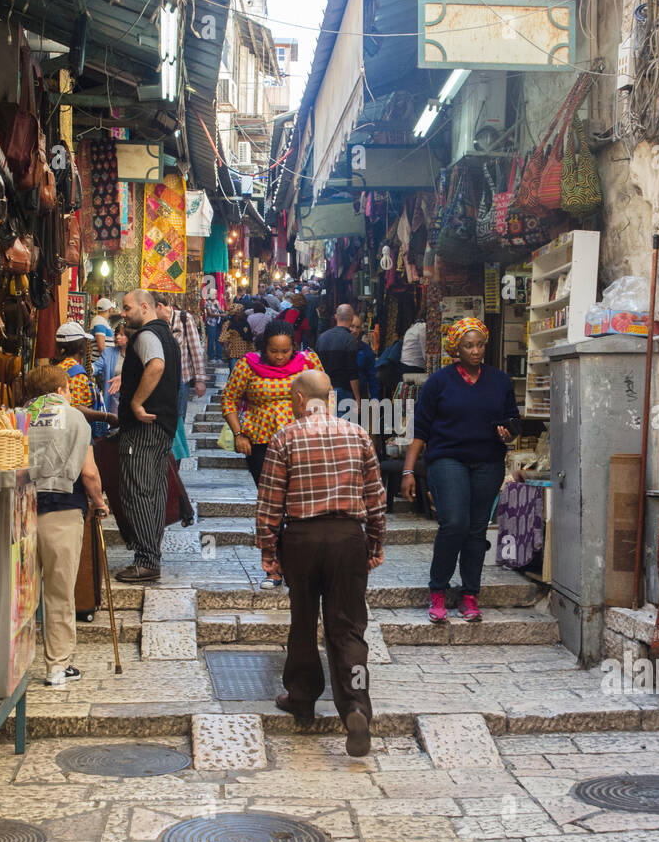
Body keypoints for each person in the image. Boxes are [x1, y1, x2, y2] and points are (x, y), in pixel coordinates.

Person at [256, 369, 386, 757]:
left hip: (302, 539)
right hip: (348, 538)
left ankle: (301, 697)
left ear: (298, 399)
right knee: (348, 628)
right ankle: (357, 706)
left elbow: (269, 504)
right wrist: (375, 541)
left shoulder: (284, 438)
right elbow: (377, 497)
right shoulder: (358, 434)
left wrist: (269, 552)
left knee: (302, 620)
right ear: (329, 398)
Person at [401, 318, 519, 623]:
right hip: (446, 459)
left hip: (488, 461)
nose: (476, 350)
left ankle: (469, 595)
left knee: (477, 530)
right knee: (454, 522)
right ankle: (438, 590)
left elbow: (512, 420)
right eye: (469, 345)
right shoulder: (439, 382)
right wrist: (408, 471)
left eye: (480, 344)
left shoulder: (500, 381)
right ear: (456, 348)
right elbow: (420, 431)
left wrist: (508, 433)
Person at [24, 364, 110, 686]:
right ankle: (57, 667)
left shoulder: (20, 417)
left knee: (20, 590)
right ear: (61, 389)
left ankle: (10, 666)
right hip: (63, 512)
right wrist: (100, 504)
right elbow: (89, 472)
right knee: (59, 591)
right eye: (69, 388)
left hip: (22, 512)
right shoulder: (76, 418)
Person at [114, 289, 181, 584]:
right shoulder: (168, 336)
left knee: (137, 491)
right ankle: (150, 555)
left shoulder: (146, 336)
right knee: (153, 491)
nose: (124, 313)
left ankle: (146, 560)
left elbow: (156, 365)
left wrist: (136, 403)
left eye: (127, 308)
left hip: (144, 427)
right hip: (163, 425)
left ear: (145, 307)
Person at [221, 318, 323, 489]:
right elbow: (229, 399)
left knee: (298, 496)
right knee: (268, 495)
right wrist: (238, 434)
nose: (279, 356)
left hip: (302, 441)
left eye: (285, 351)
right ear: (264, 347)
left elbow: (325, 395)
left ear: (294, 347)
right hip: (260, 443)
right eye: (273, 350)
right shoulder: (247, 365)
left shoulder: (308, 363)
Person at [53, 321, 115, 437]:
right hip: (75, 433)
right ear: (80, 347)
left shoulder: (58, 366)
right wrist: (107, 417)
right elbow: (75, 408)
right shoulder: (76, 373)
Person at [159, 297, 207, 424]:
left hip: (181, 377)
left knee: (179, 417)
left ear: (159, 306)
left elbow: (195, 349)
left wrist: (200, 380)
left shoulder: (184, 318)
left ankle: (178, 443)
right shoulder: (156, 322)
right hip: (162, 378)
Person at [315, 303, 363, 408]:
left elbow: (317, 367)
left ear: (336, 317)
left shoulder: (322, 337)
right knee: (344, 423)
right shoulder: (350, 340)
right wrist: (358, 398)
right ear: (351, 318)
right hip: (343, 391)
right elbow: (352, 372)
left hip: (325, 389)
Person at [92, 324, 129, 416]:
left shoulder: (137, 353)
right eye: (116, 334)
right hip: (113, 400)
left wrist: (124, 377)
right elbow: (96, 366)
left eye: (122, 334)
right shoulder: (108, 352)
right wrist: (85, 368)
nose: (117, 337)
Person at [350, 312, 382, 404]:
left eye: (357, 327)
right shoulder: (339, 346)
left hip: (361, 394)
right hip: (343, 394)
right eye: (352, 326)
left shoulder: (366, 349)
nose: (355, 330)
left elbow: (373, 376)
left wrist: (374, 399)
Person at [204, 298, 224, 364]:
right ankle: (211, 357)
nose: (215, 295)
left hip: (218, 323)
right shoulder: (207, 303)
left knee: (219, 340)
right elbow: (210, 313)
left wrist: (222, 313)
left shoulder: (217, 301)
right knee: (211, 340)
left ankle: (219, 357)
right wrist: (221, 315)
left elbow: (219, 310)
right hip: (211, 323)